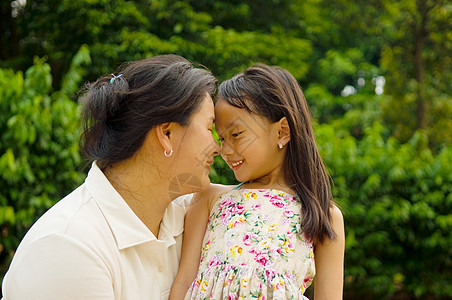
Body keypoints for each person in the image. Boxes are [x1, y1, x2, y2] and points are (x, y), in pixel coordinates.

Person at [1, 54, 220, 299]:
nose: (218, 147)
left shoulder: (184, 217)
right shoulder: (70, 246)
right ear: (167, 134)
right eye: (210, 129)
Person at [169, 64, 345, 299]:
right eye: (221, 138)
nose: (225, 150)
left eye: (236, 135)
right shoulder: (210, 198)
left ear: (282, 132)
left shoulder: (324, 214)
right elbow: (183, 283)